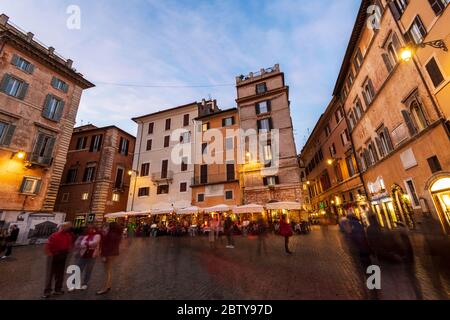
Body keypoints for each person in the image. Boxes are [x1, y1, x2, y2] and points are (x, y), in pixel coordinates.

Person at [42, 222, 74, 298]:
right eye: (68, 227)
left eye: (70, 227)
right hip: (54, 256)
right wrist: (50, 254)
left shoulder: (68, 235)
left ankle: (57, 289)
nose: (69, 228)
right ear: (63, 227)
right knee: (50, 274)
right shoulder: (54, 235)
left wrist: (68, 253)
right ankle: (47, 291)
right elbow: (47, 245)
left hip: (63, 255)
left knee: (60, 274)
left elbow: (69, 245)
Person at [72, 224, 101, 291]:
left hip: (92, 255)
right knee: (78, 268)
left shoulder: (97, 235)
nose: (90, 230)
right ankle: (74, 283)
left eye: (91, 228)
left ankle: (85, 283)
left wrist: (87, 244)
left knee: (88, 270)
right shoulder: (86, 236)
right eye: (89, 228)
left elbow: (95, 243)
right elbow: (81, 244)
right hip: (83, 254)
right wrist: (88, 244)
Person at [97, 222, 122, 295]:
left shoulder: (110, 235)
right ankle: (108, 285)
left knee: (107, 272)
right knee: (109, 271)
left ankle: (105, 288)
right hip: (114, 253)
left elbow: (107, 246)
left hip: (108, 254)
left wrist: (104, 255)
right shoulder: (117, 234)